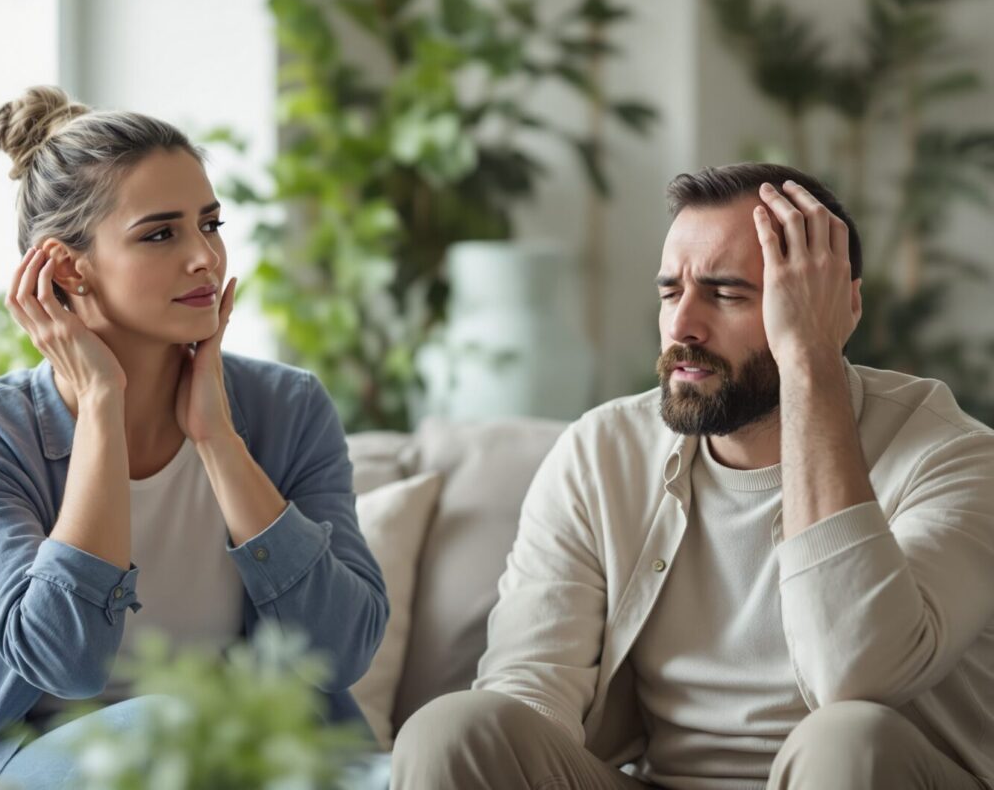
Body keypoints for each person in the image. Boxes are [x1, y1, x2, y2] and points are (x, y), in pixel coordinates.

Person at [392, 163, 994, 789]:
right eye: (670, 292)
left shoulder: (951, 458)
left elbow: (857, 675)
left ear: (835, 308)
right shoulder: (601, 452)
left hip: (855, 776)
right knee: (454, 730)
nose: (682, 327)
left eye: (727, 294)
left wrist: (810, 364)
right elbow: (528, 688)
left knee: (847, 738)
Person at [0, 86, 389, 790]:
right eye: (160, 233)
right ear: (65, 268)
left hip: (242, 759)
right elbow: (67, 660)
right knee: (171, 732)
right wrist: (101, 412)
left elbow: (340, 651)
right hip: (32, 762)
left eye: (210, 223)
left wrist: (219, 442)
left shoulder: (286, 409)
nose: (205, 257)